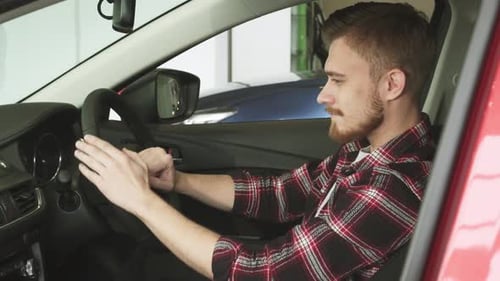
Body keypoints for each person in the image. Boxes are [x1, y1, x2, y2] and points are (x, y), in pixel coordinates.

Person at [74, 2, 436, 280]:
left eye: (337, 81)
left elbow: (262, 273)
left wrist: (140, 201)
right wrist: (178, 181)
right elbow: (284, 194)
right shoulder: (366, 153)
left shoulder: (391, 189)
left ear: (391, 85)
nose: (322, 96)